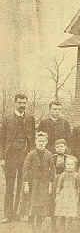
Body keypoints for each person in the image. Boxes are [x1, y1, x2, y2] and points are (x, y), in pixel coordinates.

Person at [0, 93, 36, 223]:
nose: (22, 105)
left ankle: (21, 213)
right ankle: (8, 214)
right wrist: (2, 158)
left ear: (26, 103)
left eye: (24, 103)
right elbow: (2, 140)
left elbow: (32, 140)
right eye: (20, 102)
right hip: (10, 157)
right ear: (15, 103)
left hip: (25, 156)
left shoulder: (30, 119)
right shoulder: (7, 119)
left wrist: (31, 157)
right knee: (10, 185)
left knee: (24, 185)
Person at [22, 131, 55, 233]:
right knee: (32, 203)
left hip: (44, 184)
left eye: (43, 141)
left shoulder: (49, 154)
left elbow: (52, 170)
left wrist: (50, 184)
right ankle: (32, 225)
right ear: (36, 142)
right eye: (39, 141)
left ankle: (40, 224)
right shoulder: (31, 154)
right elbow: (25, 169)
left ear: (46, 142)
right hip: (33, 183)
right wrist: (26, 183)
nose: (41, 143)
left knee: (42, 204)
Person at [54, 156, 79, 233]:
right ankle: (59, 229)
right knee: (60, 212)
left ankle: (68, 229)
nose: (69, 166)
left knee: (70, 213)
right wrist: (57, 195)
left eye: (71, 165)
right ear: (65, 165)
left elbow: (78, 187)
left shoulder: (76, 175)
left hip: (72, 196)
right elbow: (58, 186)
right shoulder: (63, 175)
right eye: (68, 164)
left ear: (75, 166)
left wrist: (77, 196)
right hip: (63, 195)